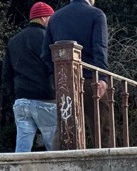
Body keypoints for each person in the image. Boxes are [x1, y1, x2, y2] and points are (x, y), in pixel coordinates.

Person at [42, 0, 113, 149]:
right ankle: (105, 160)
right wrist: (102, 78)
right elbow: (100, 48)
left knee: (64, 127)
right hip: (90, 79)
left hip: (64, 83)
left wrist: (58, 75)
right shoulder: (96, 14)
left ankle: (59, 159)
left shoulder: (55, 17)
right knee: (102, 128)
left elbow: (46, 54)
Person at [1, 2, 57, 152]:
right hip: (46, 99)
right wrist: (55, 91)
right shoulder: (48, 40)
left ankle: (20, 167)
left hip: (21, 100)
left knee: (22, 147)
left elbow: (6, 75)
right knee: (54, 146)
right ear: (44, 18)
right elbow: (53, 68)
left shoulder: (14, 41)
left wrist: (15, 96)